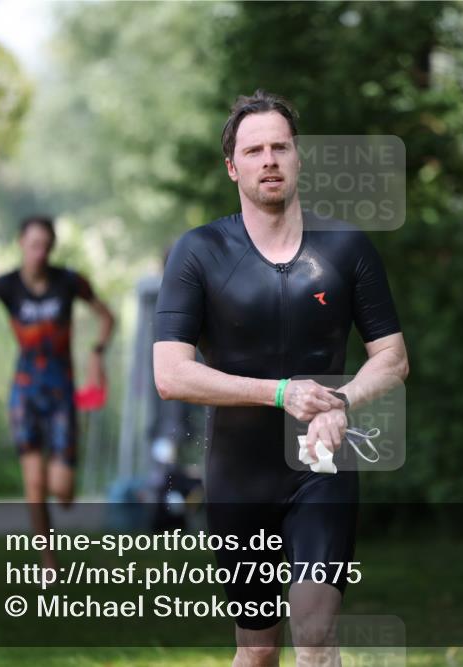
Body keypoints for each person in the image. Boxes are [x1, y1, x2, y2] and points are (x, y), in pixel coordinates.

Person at [153, 90, 409, 666]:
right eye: (254, 150)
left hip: (322, 466)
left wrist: (339, 400)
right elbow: (170, 375)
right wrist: (279, 393)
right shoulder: (199, 253)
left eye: (280, 147)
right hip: (238, 477)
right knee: (259, 652)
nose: (268, 159)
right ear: (232, 166)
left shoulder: (347, 248)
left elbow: (392, 356)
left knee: (315, 636)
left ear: (298, 158)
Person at [0, 216, 115, 572]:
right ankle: (48, 562)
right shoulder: (5, 286)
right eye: (33, 245)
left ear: (51, 248)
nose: (39, 253)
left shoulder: (69, 281)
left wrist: (97, 353)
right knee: (34, 484)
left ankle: (64, 493)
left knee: (62, 493)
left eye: (45, 246)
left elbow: (107, 317)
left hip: (62, 395)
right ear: (21, 244)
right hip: (24, 393)